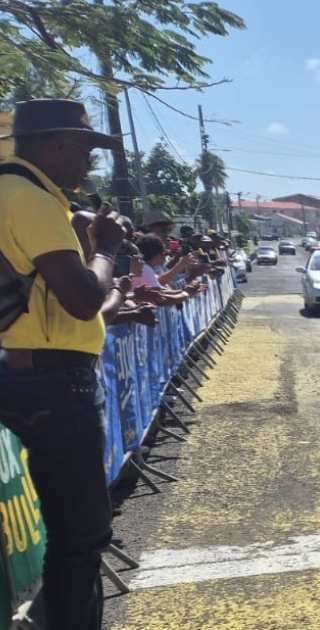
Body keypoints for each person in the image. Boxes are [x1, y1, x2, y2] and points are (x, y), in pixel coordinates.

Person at [0, 98, 126, 630]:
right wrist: (107, 248)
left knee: (71, 536)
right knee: (80, 537)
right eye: (84, 151)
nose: (88, 165)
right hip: (50, 383)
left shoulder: (13, 191)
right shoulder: (29, 198)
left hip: (23, 372)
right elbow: (82, 298)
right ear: (57, 144)